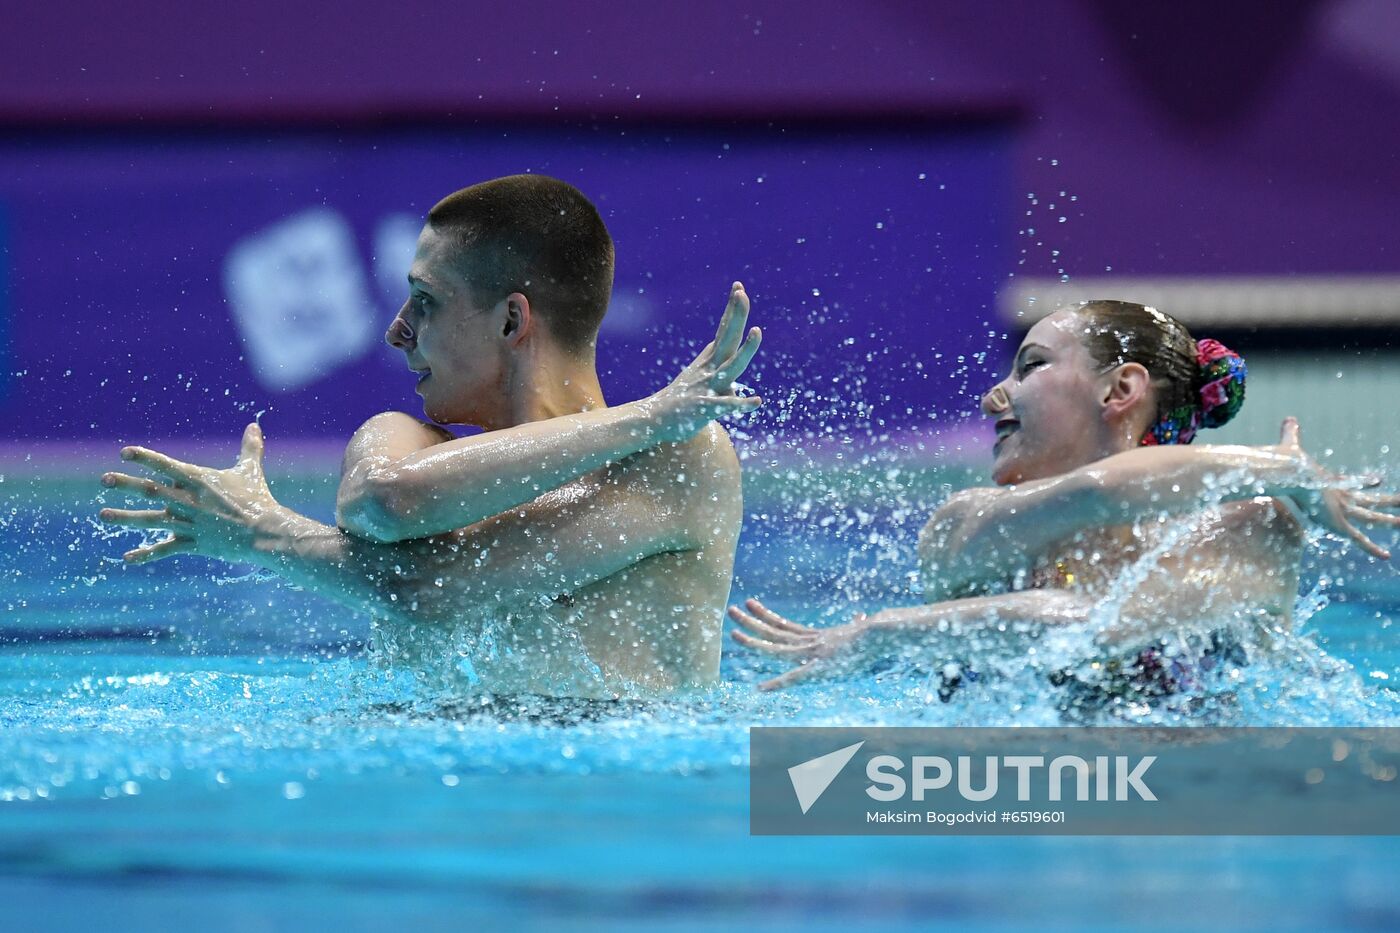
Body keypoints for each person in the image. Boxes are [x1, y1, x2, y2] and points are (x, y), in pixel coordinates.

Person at [98, 174, 762, 698]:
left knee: (828, 785)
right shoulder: (400, 438)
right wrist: (645, 413)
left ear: (511, 321)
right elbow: (387, 499)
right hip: (432, 826)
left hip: (615, 835)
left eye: (425, 301)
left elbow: (434, 590)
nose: (396, 330)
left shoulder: (679, 457)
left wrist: (263, 531)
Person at [731, 300, 1399, 702]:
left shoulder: (1251, 524)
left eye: (1030, 366)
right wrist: (1274, 466)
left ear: (1118, 391)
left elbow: (1105, 627)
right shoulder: (962, 520)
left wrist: (883, 629)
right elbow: (1092, 498)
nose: (995, 396)